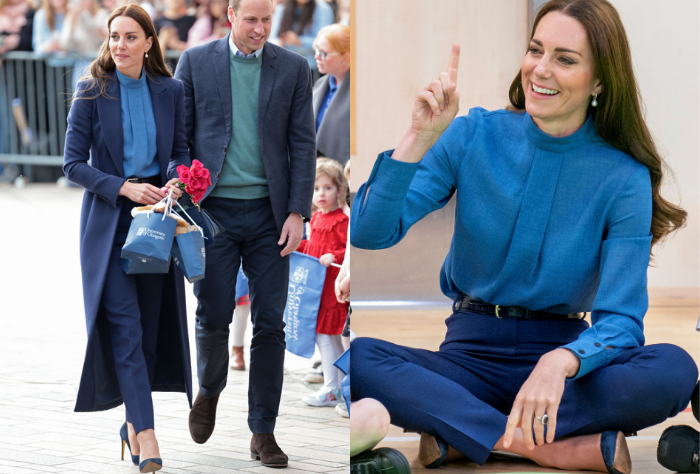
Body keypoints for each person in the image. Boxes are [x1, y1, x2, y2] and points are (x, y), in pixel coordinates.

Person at [349, 0, 698, 472]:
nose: (541, 69)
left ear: (599, 81)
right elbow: (371, 234)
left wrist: (560, 363)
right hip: (467, 359)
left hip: (567, 370)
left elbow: (621, 322)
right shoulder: (472, 134)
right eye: (536, 50)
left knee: (674, 369)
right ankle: (544, 446)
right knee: (360, 359)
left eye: (565, 59)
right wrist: (416, 137)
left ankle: (464, 433)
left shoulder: (623, 177)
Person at [173, 0, 316, 468]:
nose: (259, 28)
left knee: (269, 323)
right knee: (212, 313)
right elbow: (180, 136)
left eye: (266, 20)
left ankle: (263, 431)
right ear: (230, 14)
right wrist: (182, 181)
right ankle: (210, 391)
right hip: (212, 212)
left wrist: (298, 211)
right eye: (251, 18)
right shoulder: (195, 61)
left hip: (270, 217)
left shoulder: (294, 68)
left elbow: (301, 142)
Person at [62, 4, 192, 473]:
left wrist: (176, 180)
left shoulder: (171, 90)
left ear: (149, 42)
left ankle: (132, 426)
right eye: (114, 36)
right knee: (126, 329)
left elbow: (179, 152)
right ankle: (149, 433)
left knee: (151, 334)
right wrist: (122, 185)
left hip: (156, 226)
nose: (119, 45)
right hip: (109, 227)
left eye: (130, 37)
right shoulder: (91, 91)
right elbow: (73, 164)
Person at [298, 158, 349, 407]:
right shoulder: (316, 219)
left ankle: (332, 388)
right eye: (316, 188)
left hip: (333, 290)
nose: (321, 193)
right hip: (318, 289)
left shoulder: (342, 221)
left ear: (339, 190)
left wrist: (335, 256)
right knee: (331, 339)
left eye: (327, 188)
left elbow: (346, 251)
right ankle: (337, 388)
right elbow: (313, 248)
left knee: (327, 337)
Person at [312, 23, 349, 166]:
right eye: (316, 50)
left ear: (345, 57)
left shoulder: (358, 90)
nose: (316, 56)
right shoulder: (321, 84)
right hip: (317, 173)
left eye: (323, 53)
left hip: (342, 175)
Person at [269, 0, 333, 70]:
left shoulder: (322, 9)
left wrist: (299, 41)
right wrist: (279, 43)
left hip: (311, 66)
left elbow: (324, 41)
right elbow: (271, 38)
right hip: (284, 64)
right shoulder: (281, 8)